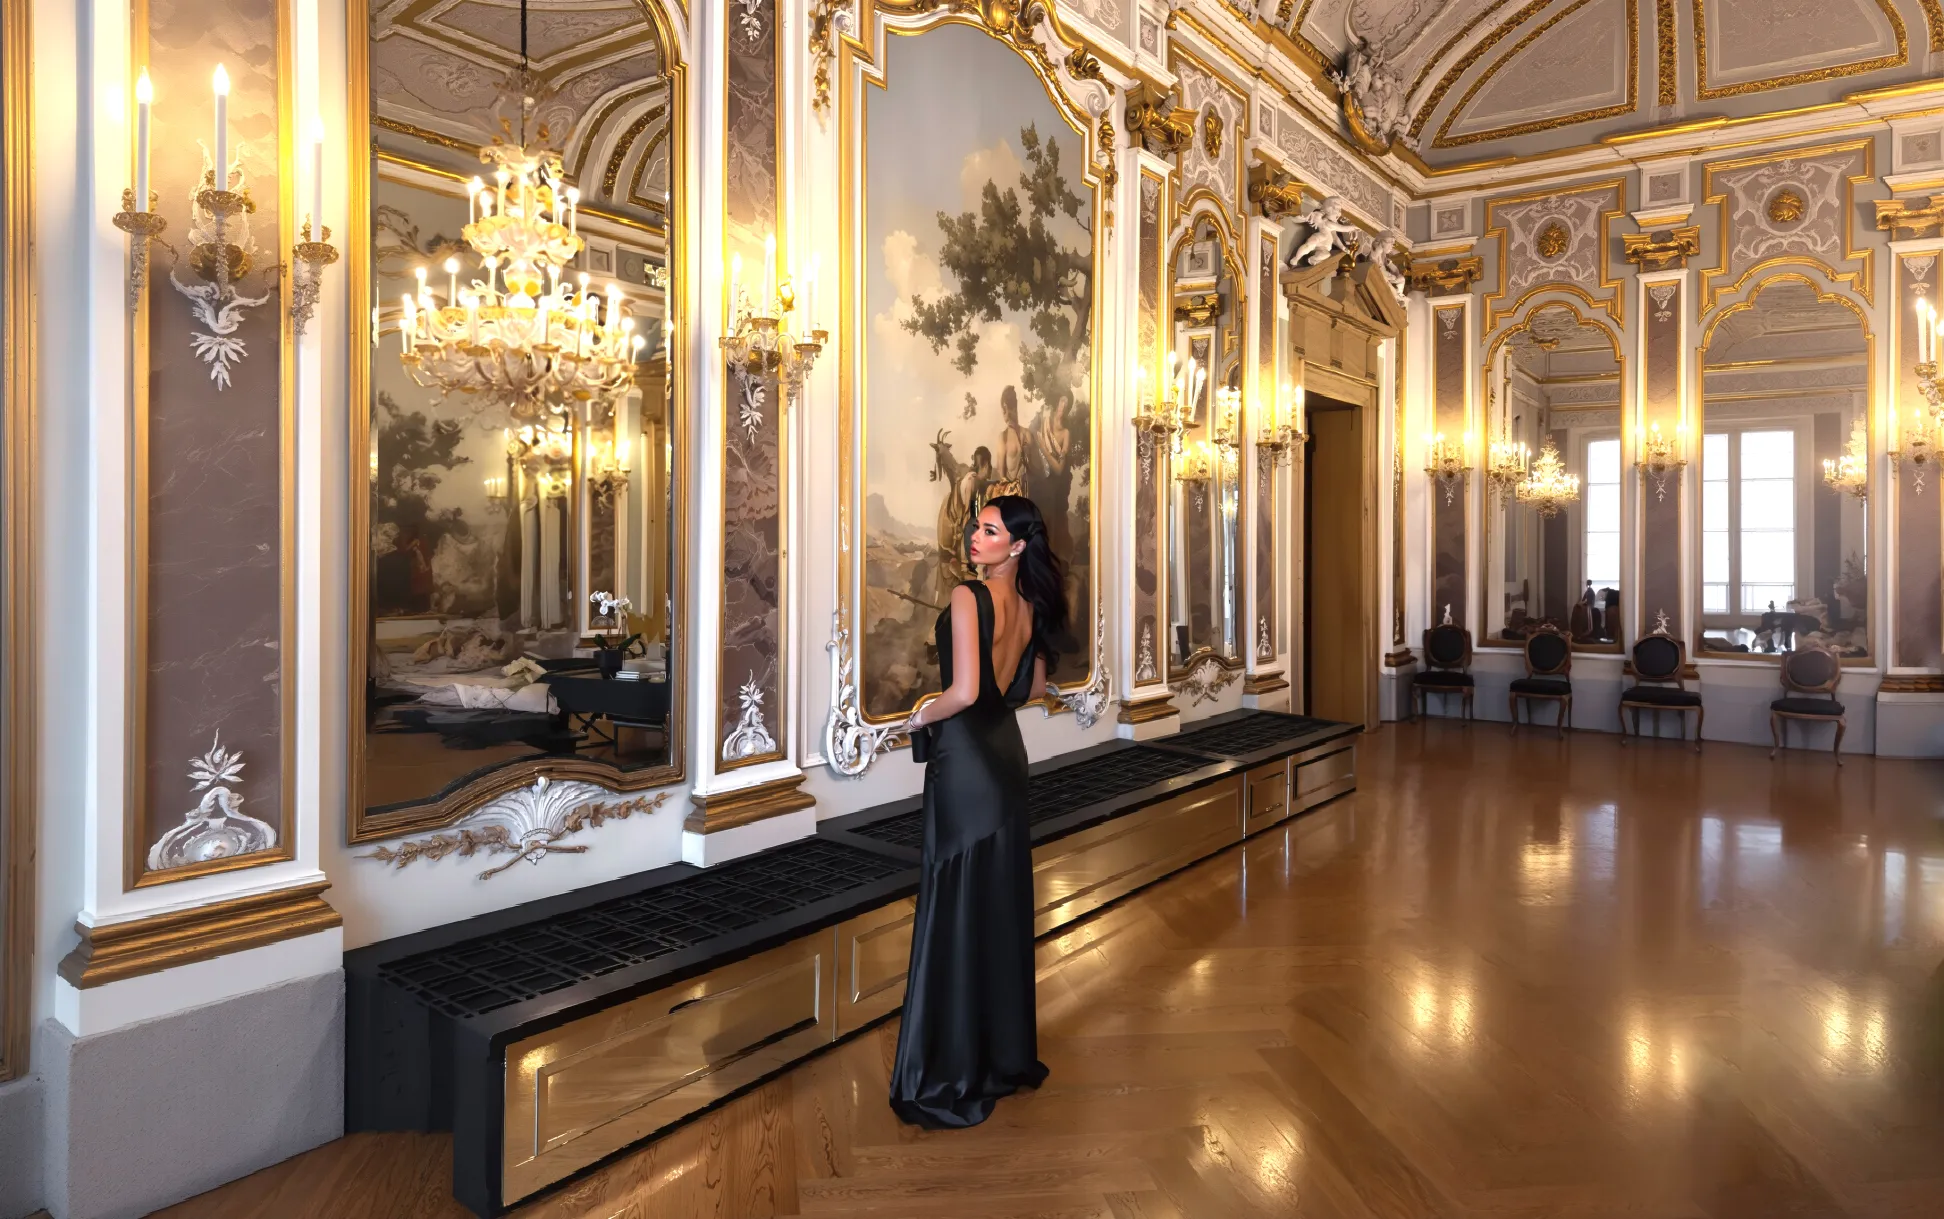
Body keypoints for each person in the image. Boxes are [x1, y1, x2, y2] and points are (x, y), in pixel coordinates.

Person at [889, 494, 1067, 1129]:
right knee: (993, 903)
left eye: (989, 531)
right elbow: (1034, 689)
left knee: (955, 901)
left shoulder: (969, 596)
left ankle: (949, 1070)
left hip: (966, 762)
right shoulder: (1032, 604)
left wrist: (918, 716)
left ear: (1016, 546)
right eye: (975, 527)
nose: (974, 536)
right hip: (1006, 762)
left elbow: (963, 693)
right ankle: (998, 1056)